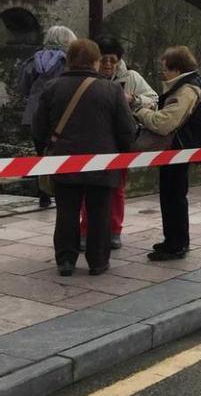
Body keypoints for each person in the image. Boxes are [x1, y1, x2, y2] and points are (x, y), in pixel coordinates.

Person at [32, 39, 137, 276]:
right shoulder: (112, 90)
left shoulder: (52, 87)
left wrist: (50, 147)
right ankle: (98, 262)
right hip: (103, 163)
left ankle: (66, 261)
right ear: (96, 61)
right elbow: (127, 131)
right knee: (100, 211)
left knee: (67, 211)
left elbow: (38, 129)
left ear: (68, 60)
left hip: (64, 161)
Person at [78, 36, 159, 251]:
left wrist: (133, 100)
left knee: (117, 189)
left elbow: (154, 99)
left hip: (120, 141)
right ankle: (86, 230)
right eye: (103, 60)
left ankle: (114, 231)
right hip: (91, 141)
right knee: (88, 188)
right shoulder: (87, 78)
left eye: (112, 60)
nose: (107, 65)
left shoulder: (130, 77)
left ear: (119, 61)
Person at [134, 47, 201, 261]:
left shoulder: (185, 90)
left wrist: (139, 111)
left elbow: (164, 123)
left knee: (173, 195)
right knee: (173, 194)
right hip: (184, 148)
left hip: (177, 148)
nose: (163, 74)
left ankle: (176, 244)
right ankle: (175, 239)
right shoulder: (197, 85)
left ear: (177, 69)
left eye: (166, 69)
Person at [18, 26, 77, 208]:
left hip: (34, 113)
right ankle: (60, 190)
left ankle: (43, 194)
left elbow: (24, 86)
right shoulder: (68, 62)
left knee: (40, 152)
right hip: (60, 113)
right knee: (59, 152)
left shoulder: (33, 61)